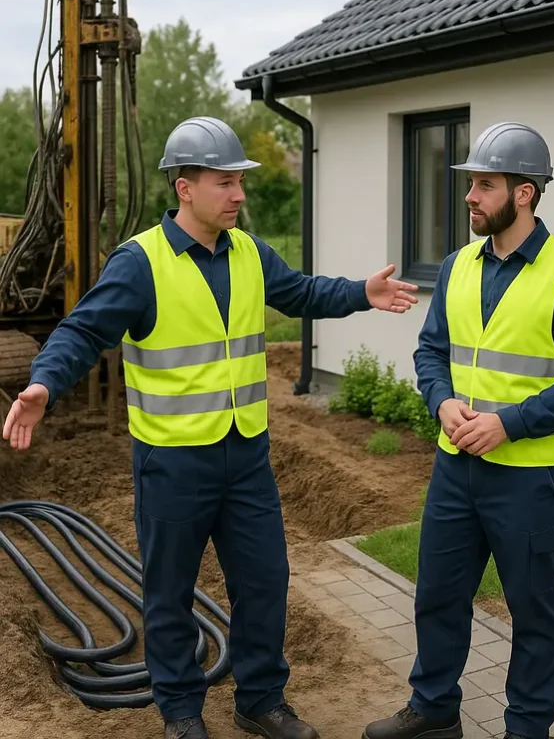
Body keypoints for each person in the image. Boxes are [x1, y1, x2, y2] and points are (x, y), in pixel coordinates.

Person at [2, 116, 419, 739]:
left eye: (240, 183)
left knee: (265, 580)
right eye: (226, 183)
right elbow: (84, 330)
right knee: (169, 592)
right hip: (172, 461)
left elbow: (301, 292)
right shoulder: (140, 262)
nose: (239, 195)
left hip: (245, 454)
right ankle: (180, 713)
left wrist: (362, 291)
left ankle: (260, 700)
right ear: (185, 188)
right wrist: (43, 382)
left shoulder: (248, 252)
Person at [362, 122, 554, 739]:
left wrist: (509, 424)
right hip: (456, 470)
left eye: (484, 185)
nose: (470, 197)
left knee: (532, 613)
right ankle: (434, 709)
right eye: (471, 184)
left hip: (529, 478)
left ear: (524, 193)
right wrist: (441, 402)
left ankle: (526, 729)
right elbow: (431, 353)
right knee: (437, 595)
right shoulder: (456, 267)